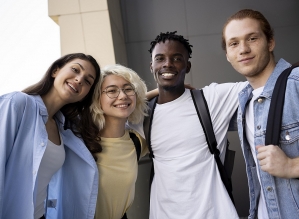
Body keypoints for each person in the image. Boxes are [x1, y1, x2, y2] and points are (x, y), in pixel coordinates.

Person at [146, 31, 247, 219]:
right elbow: (104, 114)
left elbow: (268, 82)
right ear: (152, 66)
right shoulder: (143, 114)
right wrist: (149, 94)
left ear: (187, 66)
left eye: (176, 58)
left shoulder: (211, 99)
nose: (167, 63)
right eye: (160, 59)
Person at [0, 53, 101, 219]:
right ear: (55, 70)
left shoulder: (66, 129)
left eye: (88, 81)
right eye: (75, 70)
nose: (79, 79)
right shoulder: (17, 103)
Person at [222, 9, 299, 219]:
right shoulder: (244, 100)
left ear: (270, 42)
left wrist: (292, 166)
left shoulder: (296, 82)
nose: (243, 49)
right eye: (234, 43)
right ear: (228, 55)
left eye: (252, 38)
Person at [90, 64, 149, 219]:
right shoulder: (81, 143)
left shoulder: (137, 141)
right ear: (97, 98)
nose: (122, 96)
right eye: (111, 90)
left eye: (128, 89)